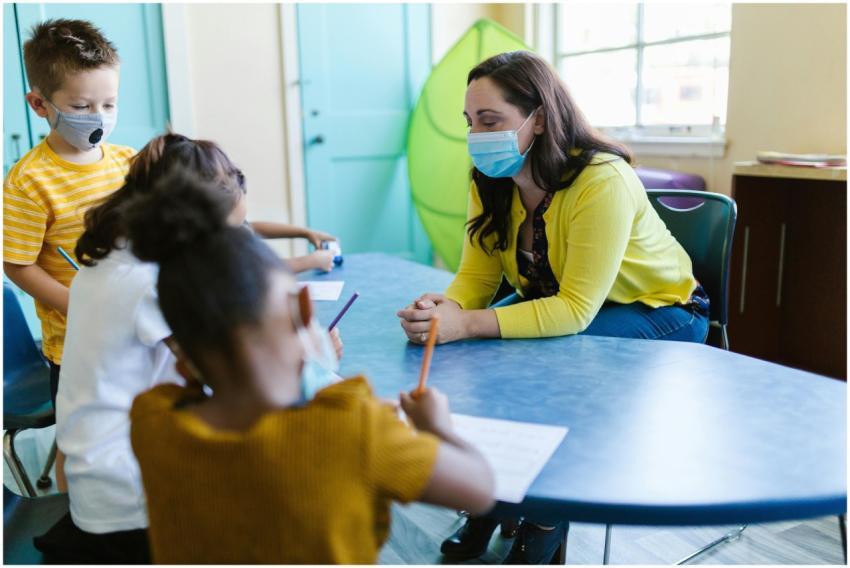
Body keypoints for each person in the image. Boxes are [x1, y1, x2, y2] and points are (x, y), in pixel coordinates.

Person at [397, 50, 710, 563]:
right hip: (569, 306)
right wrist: (445, 310)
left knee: (559, 366)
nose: (477, 135)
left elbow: (575, 311)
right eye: (471, 122)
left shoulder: (600, 180)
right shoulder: (490, 179)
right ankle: (492, 500)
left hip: (663, 311)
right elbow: (479, 274)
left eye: (491, 120)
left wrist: (466, 323)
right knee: (492, 361)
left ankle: (544, 520)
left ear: (538, 118)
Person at [123, 168, 495, 563]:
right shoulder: (353, 430)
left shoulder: (151, 421)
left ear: (180, 355)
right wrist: (434, 426)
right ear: (303, 310)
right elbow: (480, 488)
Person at [34, 133, 342, 563]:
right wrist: (310, 353)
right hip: (131, 501)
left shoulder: (110, 263)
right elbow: (235, 378)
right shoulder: (149, 282)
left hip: (95, 484)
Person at [3, 18, 136, 492]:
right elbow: (16, 264)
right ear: (40, 104)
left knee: (137, 447)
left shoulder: (128, 163)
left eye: (109, 103)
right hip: (77, 344)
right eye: (81, 106)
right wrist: (78, 304)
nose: (98, 115)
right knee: (87, 458)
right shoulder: (28, 182)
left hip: (135, 334)